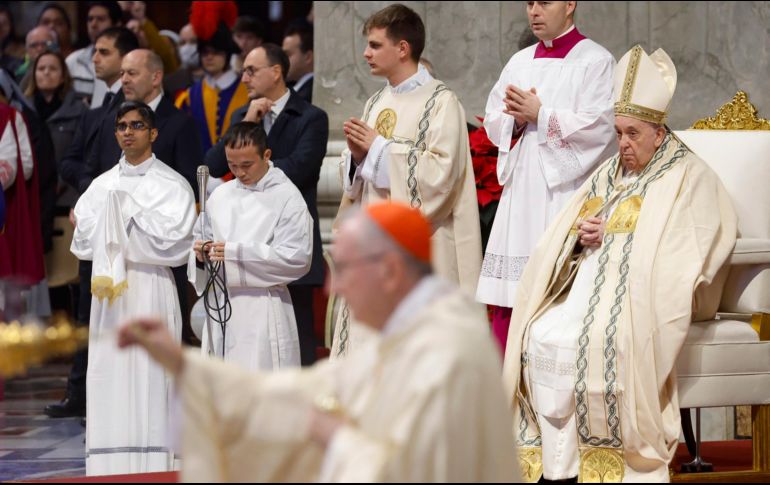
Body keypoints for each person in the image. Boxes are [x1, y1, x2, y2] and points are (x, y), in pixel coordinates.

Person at [119, 201, 520, 482]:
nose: (333, 287)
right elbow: (308, 389)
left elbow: (420, 473)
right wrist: (186, 364)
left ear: (391, 270)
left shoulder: (447, 352)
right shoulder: (405, 335)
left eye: (343, 269)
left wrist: (335, 439)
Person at [503, 45, 738, 482]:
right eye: (618, 132)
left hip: (636, 298)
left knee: (590, 341)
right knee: (540, 332)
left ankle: (606, 460)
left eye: (633, 134)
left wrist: (612, 234)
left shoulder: (690, 176)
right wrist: (579, 235)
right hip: (586, 291)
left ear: (659, 134)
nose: (623, 144)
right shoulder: (611, 171)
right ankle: (561, 465)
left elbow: (694, 245)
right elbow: (564, 231)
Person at [333, 3, 482, 357]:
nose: (366, 53)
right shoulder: (375, 102)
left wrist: (379, 149)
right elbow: (359, 177)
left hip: (423, 250)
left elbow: (440, 178)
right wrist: (357, 159)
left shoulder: (442, 103)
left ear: (403, 49)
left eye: (374, 45)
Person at [476, 1, 617, 352]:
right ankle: (506, 395)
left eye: (544, 3)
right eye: (529, 4)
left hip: (564, 193)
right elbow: (494, 118)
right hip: (521, 193)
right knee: (511, 296)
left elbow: (601, 128)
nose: (534, 11)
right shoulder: (519, 62)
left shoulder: (596, 61)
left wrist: (543, 114)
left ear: (570, 5)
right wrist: (518, 121)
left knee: (556, 299)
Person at [71, 100, 195, 475]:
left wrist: (126, 219)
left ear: (153, 133)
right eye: (122, 126)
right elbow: (82, 242)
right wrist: (116, 224)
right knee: (112, 373)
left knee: (152, 374)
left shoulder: (172, 184)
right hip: (109, 300)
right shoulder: (100, 184)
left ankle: (158, 466)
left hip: (151, 289)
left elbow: (176, 245)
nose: (128, 132)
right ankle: (111, 467)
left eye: (137, 125)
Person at [204, 44, 328, 366]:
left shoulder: (310, 116)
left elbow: (303, 167)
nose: (243, 77)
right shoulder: (241, 116)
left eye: (251, 70)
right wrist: (247, 122)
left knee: (296, 347)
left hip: (284, 232)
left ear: (276, 72)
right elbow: (216, 164)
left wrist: (261, 175)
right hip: (239, 250)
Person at [45, 27, 139, 421]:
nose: (94, 58)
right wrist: (91, 190)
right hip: (94, 217)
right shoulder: (95, 111)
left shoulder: (137, 114)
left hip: (129, 224)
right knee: (88, 311)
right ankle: (80, 391)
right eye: (95, 52)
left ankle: (122, 391)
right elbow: (71, 160)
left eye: (104, 52)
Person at [190, 121, 311, 369]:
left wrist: (236, 253)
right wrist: (202, 253)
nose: (239, 172)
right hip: (222, 305)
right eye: (232, 165)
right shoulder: (221, 195)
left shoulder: (287, 196)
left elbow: (297, 258)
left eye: (246, 165)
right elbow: (201, 239)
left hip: (264, 309)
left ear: (266, 155)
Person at [175, 4, 248, 154]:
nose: (209, 57)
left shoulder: (248, 91)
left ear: (227, 53)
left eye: (216, 52)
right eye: (205, 52)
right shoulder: (188, 96)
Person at [66, 1, 122, 107]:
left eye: (101, 19)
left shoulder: (129, 61)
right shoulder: (73, 61)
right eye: (90, 19)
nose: (93, 24)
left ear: (117, 24)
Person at [282, 20, 314, 103]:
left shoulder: (310, 96)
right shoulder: (293, 89)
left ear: (308, 57)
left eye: (288, 54)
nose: (282, 60)